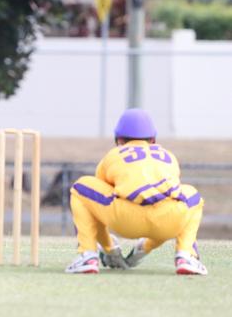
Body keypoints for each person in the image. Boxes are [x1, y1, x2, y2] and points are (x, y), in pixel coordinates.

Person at [65, 108, 207, 276]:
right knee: (191, 196)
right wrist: (147, 248)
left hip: (126, 221)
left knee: (81, 188)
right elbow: (173, 197)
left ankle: (88, 256)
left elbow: (96, 210)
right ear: (153, 139)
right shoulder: (168, 155)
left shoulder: (114, 154)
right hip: (168, 222)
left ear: (118, 140)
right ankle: (186, 255)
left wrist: (109, 248)